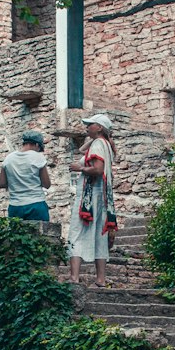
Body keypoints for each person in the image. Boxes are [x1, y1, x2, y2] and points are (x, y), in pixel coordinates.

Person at [67, 113, 118, 285]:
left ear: (99, 127)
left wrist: (79, 168)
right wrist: (102, 135)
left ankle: (74, 277)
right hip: (102, 197)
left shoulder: (98, 144)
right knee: (99, 236)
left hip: (90, 196)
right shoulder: (104, 144)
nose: (87, 127)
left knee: (77, 232)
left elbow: (97, 169)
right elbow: (82, 150)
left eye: (91, 125)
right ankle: (101, 279)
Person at [0, 130, 51, 221]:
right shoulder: (37, 157)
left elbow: (2, 183)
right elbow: (47, 184)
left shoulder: (9, 158)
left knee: (18, 234)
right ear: (37, 145)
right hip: (36, 204)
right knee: (40, 234)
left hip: (15, 206)